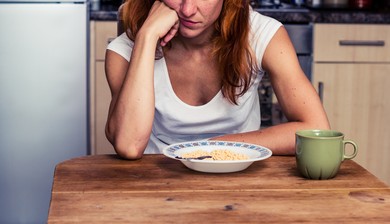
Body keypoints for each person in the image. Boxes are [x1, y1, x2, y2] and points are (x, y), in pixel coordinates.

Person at [105, 0, 330, 160]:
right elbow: (129, 147)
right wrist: (147, 37)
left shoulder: (261, 34)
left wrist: (214, 148)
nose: (188, 9)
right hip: (156, 176)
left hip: (238, 172)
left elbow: (316, 128)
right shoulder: (123, 51)